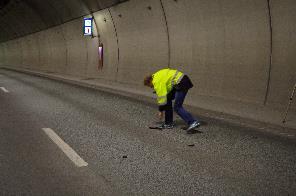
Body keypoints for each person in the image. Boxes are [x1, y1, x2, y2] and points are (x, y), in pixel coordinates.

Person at [144, 68, 200, 132]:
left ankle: (193, 122)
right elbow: (167, 89)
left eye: (150, 86)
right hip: (181, 81)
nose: (151, 87)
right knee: (168, 100)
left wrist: (161, 111)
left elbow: (162, 98)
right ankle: (168, 123)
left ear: (149, 81)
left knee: (177, 107)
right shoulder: (156, 76)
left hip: (181, 83)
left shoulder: (156, 81)